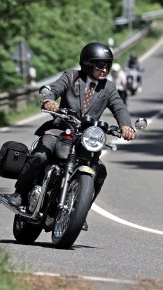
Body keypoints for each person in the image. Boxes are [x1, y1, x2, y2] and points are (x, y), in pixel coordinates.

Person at [9, 42, 136, 208]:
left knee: (100, 172)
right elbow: (56, 88)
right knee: (40, 156)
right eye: (100, 65)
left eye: (107, 66)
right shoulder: (71, 76)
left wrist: (126, 125)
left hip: (86, 137)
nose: (104, 69)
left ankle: (80, 209)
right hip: (61, 129)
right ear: (87, 64)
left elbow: (119, 107)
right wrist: (49, 100)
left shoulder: (109, 87)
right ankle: (20, 192)